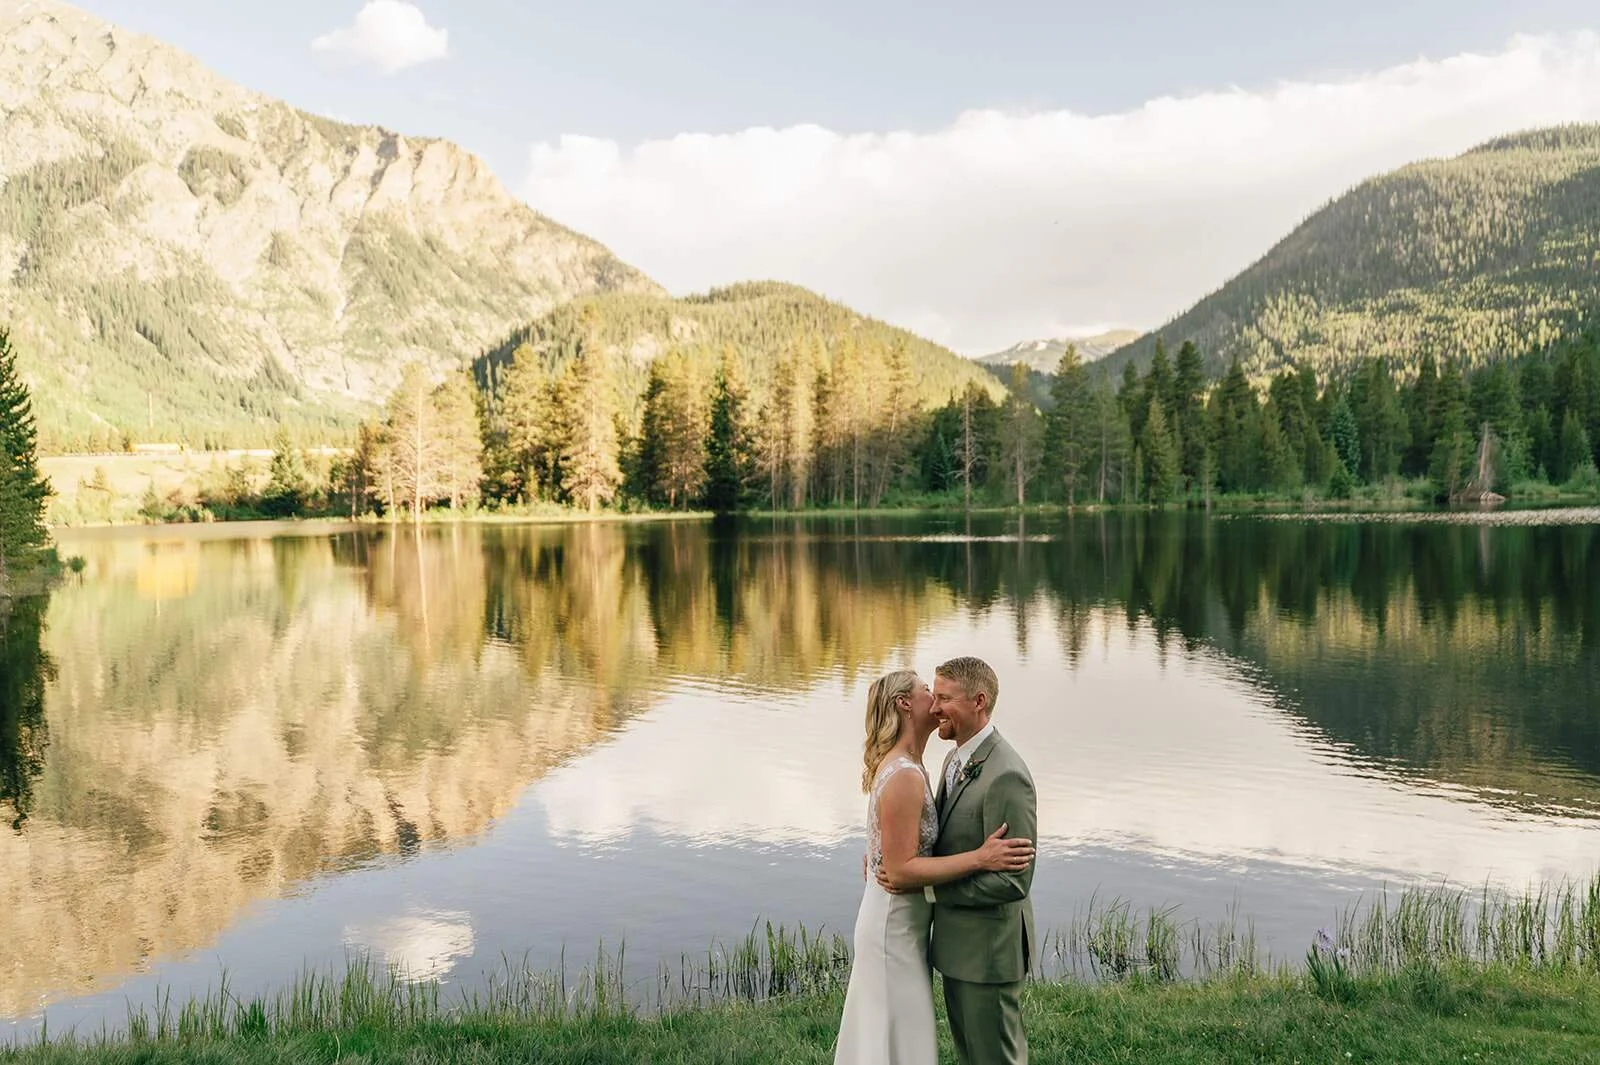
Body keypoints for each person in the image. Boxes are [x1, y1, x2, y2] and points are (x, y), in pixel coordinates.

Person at [834, 669, 1035, 1065]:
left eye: (944, 695)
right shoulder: (909, 772)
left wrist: (882, 855)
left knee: (896, 1032)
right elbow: (901, 867)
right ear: (905, 704)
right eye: (930, 692)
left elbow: (907, 850)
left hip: (912, 925)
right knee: (894, 1034)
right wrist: (979, 857)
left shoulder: (925, 766)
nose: (936, 703)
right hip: (895, 926)